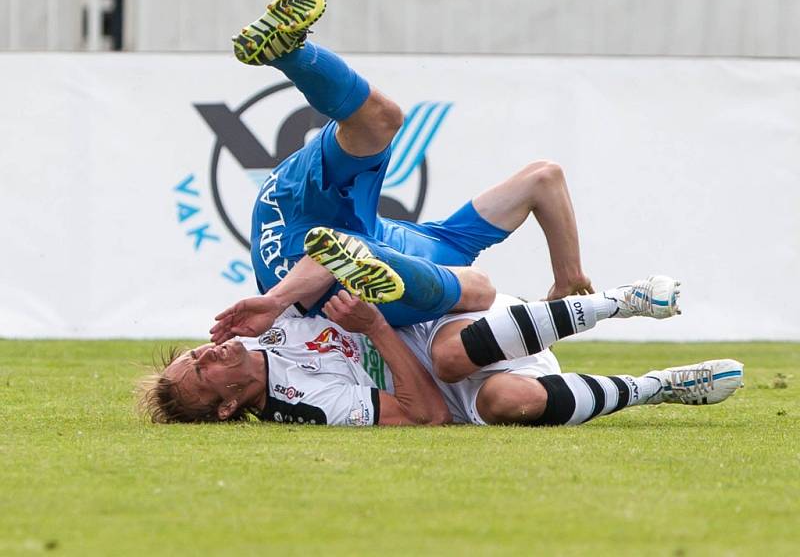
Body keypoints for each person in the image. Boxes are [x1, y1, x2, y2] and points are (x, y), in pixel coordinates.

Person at [220, 0, 594, 332]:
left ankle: (290, 55)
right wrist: (568, 277)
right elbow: (544, 177)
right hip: (307, 241)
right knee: (476, 287)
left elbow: (543, 181)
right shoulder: (454, 246)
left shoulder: (448, 253)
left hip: (301, 265)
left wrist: (567, 277)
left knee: (473, 289)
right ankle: (287, 51)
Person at [140, 276, 744, 427]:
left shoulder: (260, 327)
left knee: (455, 355)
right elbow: (425, 413)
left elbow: (324, 252)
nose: (203, 356)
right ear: (224, 406)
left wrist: (275, 298)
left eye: (191, 355)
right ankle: (660, 387)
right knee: (508, 399)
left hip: (449, 328)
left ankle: (621, 300)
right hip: (453, 389)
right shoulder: (302, 404)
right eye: (198, 373)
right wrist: (375, 329)